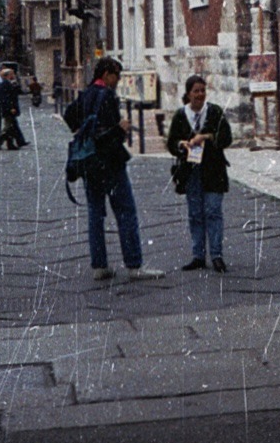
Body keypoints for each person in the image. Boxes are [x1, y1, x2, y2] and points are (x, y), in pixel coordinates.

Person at [64, 57, 162, 281]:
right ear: (106, 74)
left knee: (95, 214)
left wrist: (81, 130)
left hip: (90, 164)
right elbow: (108, 137)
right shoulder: (107, 95)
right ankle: (134, 264)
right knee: (125, 211)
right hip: (111, 163)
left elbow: (69, 115)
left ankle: (99, 265)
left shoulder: (86, 94)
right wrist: (121, 129)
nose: (118, 80)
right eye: (116, 75)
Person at [167, 74, 232, 273]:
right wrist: (181, 144)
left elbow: (227, 137)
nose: (200, 95)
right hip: (191, 171)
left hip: (213, 170)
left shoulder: (214, 112)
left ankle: (216, 254)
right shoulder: (180, 115)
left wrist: (206, 136)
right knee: (195, 214)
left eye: (203, 90)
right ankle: (198, 255)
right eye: (196, 91)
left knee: (213, 211)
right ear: (188, 93)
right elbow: (171, 142)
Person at [0, 66, 26, 149]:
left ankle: (10, 144)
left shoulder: (9, 83)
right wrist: (10, 107)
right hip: (9, 109)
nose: (14, 75)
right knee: (8, 128)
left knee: (11, 127)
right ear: (7, 75)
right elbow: (6, 98)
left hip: (10, 108)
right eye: (12, 74)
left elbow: (17, 92)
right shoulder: (5, 84)